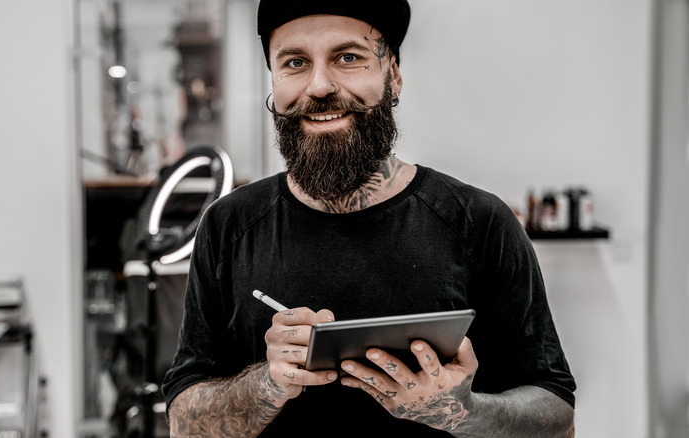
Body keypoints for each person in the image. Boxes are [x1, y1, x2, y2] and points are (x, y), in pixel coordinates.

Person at [161, 0, 576, 436]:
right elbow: (184, 424)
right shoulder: (228, 226)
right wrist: (267, 384)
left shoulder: (480, 222)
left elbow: (558, 420)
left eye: (347, 58)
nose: (319, 86)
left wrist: (462, 412)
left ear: (392, 75)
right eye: (295, 62)